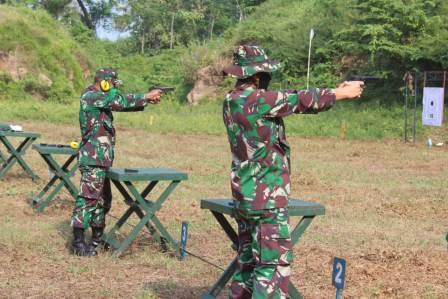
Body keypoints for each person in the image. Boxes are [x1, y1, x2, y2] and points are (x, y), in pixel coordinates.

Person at [222, 45, 363, 298]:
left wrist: (335, 91)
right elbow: (298, 99)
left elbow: (292, 97)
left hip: (244, 195)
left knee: (248, 264)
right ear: (255, 75)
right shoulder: (257, 100)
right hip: (266, 199)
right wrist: (341, 94)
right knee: (272, 267)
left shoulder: (231, 99)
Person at [71, 67, 162, 256]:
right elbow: (119, 100)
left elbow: (121, 104)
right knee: (88, 199)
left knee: (103, 201)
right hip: (93, 158)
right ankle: (78, 244)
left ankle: (95, 242)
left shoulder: (101, 99)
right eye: (112, 84)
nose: (113, 87)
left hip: (103, 159)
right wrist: (146, 95)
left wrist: (147, 100)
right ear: (104, 82)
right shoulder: (91, 95)